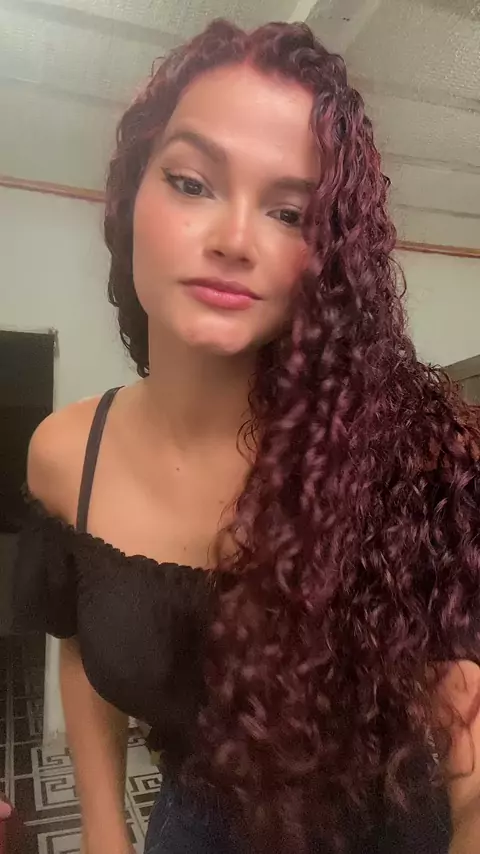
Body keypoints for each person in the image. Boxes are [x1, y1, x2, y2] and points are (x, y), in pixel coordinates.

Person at [13, 17, 480, 854]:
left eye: (290, 211)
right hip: (193, 826)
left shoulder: (406, 456)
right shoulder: (64, 457)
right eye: (192, 183)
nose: (233, 239)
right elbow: (80, 643)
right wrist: (104, 832)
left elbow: (470, 751)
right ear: (130, 197)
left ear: (327, 256)